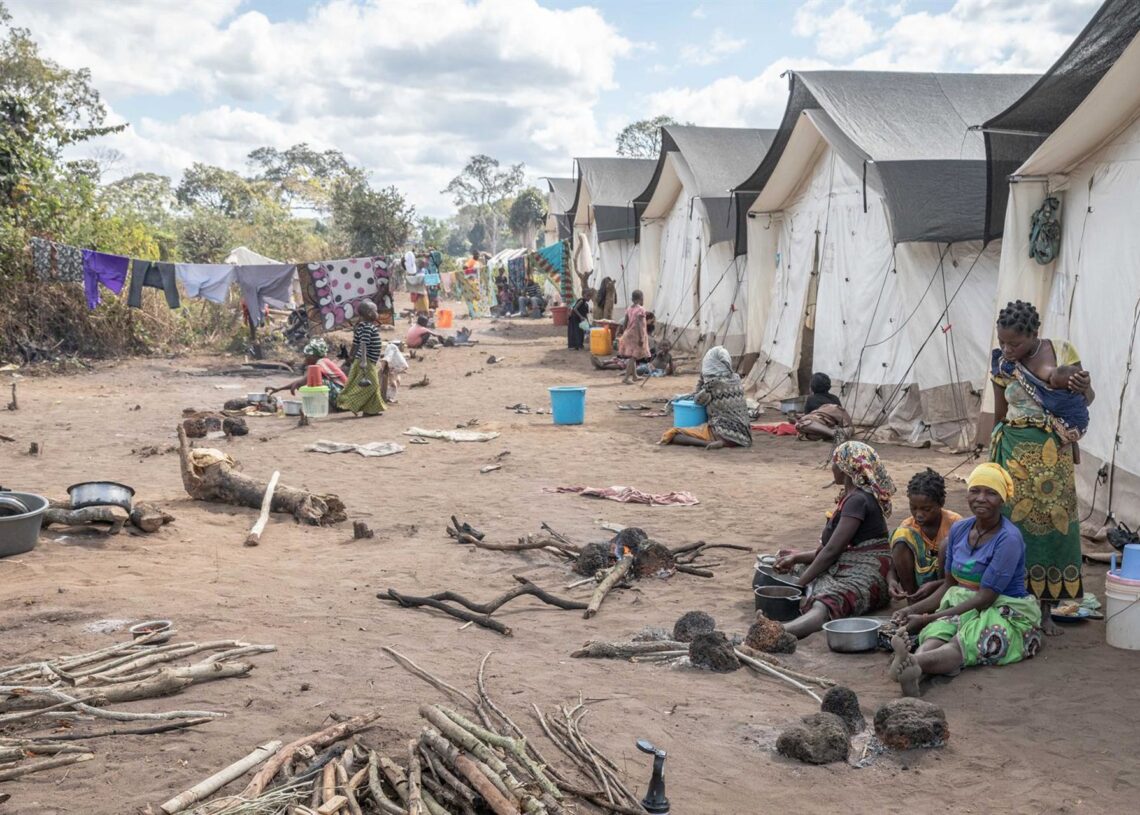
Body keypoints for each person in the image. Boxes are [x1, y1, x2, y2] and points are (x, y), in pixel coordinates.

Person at [887, 463, 1042, 697]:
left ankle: (915, 663)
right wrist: (913, 611)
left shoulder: (1008, 539)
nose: (981, 498)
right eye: (975, 490)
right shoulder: (959, 530)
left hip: (1004, 608)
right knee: (937, 632)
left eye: (990, 493)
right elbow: (949, 585)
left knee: (964, 643)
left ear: (1002, 499)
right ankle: (914, 666)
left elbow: (985, 598)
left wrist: (926, 616)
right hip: (963, 602)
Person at [990, 299, 1094, 634]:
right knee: (1013, 525)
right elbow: (1000, 412)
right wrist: (992, 452)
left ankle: (1047, 608)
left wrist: (1085, 387)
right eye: (1002, 341)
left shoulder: (1062, 352)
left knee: (1054, 526)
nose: (1007, 349)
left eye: (1015, 343)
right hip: (1014, 453)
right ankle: (1018, 600)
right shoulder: (1002, 364)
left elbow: (1085, 399)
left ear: (1035, 334)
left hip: (1053, 456)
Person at [771, 441, 895, 638]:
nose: (832, 467)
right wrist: (794, 559)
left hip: (867, 572)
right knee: (785, 558)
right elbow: (828, 550)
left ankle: (780, 633)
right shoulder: (851, 497)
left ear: (846, 468)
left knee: (827, 602)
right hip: (848, 563)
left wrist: (797, 586)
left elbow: (831, 552)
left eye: (835, 463)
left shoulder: (858, 500)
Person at [888, 469, 962, 600]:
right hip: (918, 584)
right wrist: (892, 582)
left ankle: (942, 601)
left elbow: (964, 567)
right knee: (901, 536)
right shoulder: (908, 527)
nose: (919, 514)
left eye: (926, 509)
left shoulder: (955, 523)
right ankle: (913, 599)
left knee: (946, 544)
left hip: (948, 582)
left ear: (941, 503)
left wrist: (937, 584)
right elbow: (893, 567)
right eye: (913, 508)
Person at [660, 346, 751, 450]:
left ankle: (708, 443)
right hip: (744, 436)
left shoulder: (713, 385)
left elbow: (697, 399)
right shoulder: (736, 379)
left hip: (722, 433)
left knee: (673, 434)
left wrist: (701, 379)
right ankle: (722, 442)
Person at [268, 337, 347, 413]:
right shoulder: (322, 362)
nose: (305, 359)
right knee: (313, 381)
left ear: (314, 356)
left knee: (315, 382)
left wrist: (284, 388)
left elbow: (303, 381)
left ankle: (327, 407)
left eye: (307, 356)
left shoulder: (321, 363)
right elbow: (301, 382)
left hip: (343, 398)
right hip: (342, 396)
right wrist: (279, 389)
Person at [336, 300, 385, 416]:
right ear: (369, 313)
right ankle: (350, 403)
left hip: (365, 360)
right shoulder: (367, 327)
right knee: (371, 385)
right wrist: (363, 362)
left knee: (373, 384)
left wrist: (351, 357)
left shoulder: (361, 326)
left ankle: (371, 409)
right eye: (375, 311)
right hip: (366, 361)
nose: (377, 314)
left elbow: (355, 343)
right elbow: (363, 344)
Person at [795, 372, 852, 441]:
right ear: (829, 386)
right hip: (833, 425)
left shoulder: (811, 399)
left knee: (800, 423)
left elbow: (809, 416)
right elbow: (838, 414)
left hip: (820, 425)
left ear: (812, 387)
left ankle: (832, 433)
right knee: (812, 435)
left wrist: (801, 417)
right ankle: (834, 432)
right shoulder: (835, 398)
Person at [617, 290, 650, 384]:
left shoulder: (629, 309)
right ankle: (626, 377)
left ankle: (634, 376)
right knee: (634, 357)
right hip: (636, 335)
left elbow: (625, 322)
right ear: (641, 298)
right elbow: (640, 325)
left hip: (628, 333)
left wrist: (624, 333)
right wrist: (641, 337)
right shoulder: (641, 310)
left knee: (633, 355)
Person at [382, 339, 409, 403]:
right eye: (402, 345)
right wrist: (385, 365)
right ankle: (387, 397)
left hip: (395, 369)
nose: (403, 347)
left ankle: (389, 397)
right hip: (391, 368)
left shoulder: (396, 351)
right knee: (393, 384)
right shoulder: (392, 347)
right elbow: (388, 358)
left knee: (397, 382)